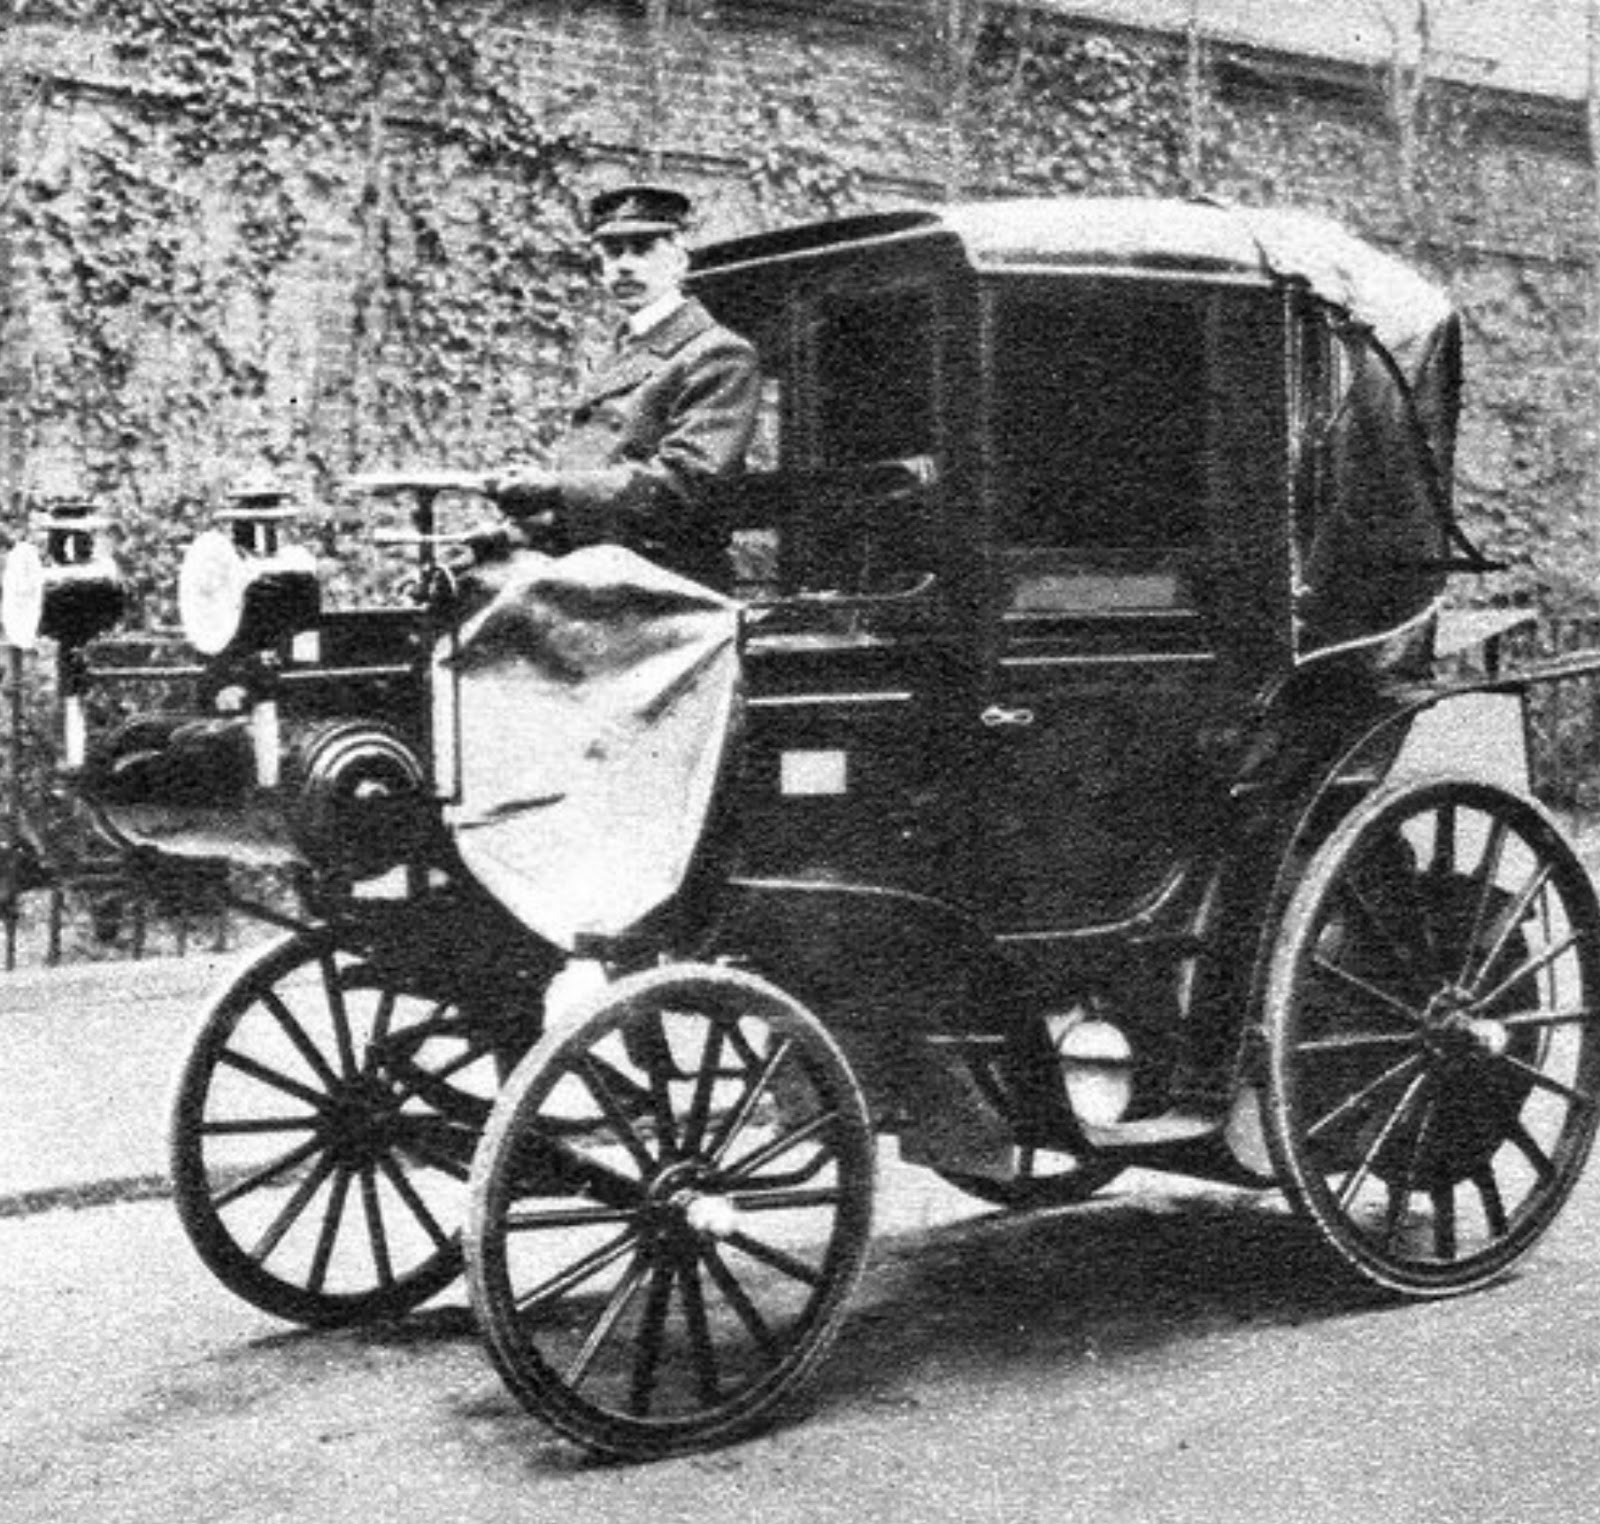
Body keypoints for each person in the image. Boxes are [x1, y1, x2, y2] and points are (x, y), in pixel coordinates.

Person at [487, 183, 761, 588]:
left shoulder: (718, 353)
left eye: (643, 249)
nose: (625, 266)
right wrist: (514, 534)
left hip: (669, 586)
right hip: (598, 574)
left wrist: (554, 487)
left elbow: (686, 485)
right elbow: (590, 492)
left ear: (680, 260)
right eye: (613, 252)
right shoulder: (618, 352)